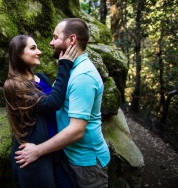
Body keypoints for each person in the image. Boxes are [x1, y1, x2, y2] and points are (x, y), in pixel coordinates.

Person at [15, 18, 110, 188]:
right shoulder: (71, 68)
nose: (51, 43)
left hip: (85, 163)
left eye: (55, 37)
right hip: (70, 156)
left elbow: (76, 130)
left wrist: (37, 150)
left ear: (71, 40)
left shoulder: (83, 76)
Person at [3, 34, 78, 188]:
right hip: (32, 156)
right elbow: (52, 103)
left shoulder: (40, 77)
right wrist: (64, 65)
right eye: (33, 48)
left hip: (52, 149)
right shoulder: (14, 85)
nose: (39, 52)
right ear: (18, 54)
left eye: (37, 47)